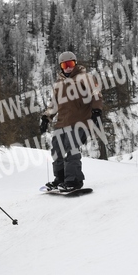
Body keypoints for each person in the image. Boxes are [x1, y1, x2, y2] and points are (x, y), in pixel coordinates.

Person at [40, 51, 103, 192]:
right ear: (61, 66)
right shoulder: (59, 83)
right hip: (62, 123)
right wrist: (46, 117)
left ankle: (74, 180)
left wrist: (96, 111)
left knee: (71, 148)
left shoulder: (85, 77)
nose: (68, 68)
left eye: (71, 64)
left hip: (80, 122)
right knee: (56, 151)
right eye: (65, 65)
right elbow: (54, 104)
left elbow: (96, 94)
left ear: (75, 63)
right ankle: (60, 179)